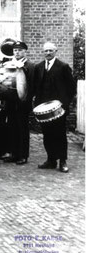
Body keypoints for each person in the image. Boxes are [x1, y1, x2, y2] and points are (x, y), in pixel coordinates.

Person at [33, 42, 76, 172]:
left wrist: (64, 104)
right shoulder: (39, 67)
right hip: (43, 109)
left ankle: (62, 161)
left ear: (55, 51)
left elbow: (71, 88)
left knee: (60, 135)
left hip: (59, 109)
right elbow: (36, 87)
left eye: (50, 50)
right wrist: (37, 105)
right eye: (46, 51)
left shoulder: (63, 66)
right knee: (47, 134)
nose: (48, 53)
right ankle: (51, 160)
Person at [6, 41, 35, 165]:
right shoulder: (10, 64)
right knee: (12, 126)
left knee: (22, 128)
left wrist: (27, 100)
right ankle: (14, 153)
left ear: (25, 51)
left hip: (23, 101)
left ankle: (23, 155)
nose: (17, 52)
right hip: (11, 100)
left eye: (19, 50)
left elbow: (32, 85)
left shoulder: (30, 65)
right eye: (15, 50)